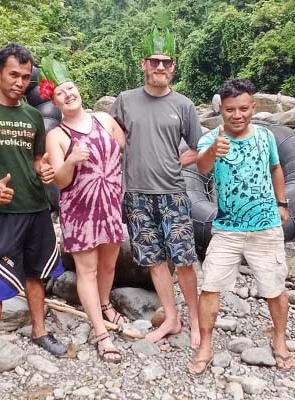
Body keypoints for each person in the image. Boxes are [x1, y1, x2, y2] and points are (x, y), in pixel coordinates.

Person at [0, 43, 66, 395]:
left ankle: (39, 332)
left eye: (25, 76)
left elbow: (35, 161)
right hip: (2, 214)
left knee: (37, 274)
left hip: (36, 209)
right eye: (13, 75)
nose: (20, 82)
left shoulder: (34, 116)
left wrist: (45, 169)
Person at [187, 78, 295, 375]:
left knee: (274, 288)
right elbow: (202, 166)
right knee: (209, 286)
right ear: (221, 109)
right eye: (230, 109)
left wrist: (282, 204)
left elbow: (276, 168)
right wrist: (214, 150)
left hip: (266, 226)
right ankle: (206, 344)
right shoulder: (212, 138)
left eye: (243, 108)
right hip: (227, 229)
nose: (237, 115)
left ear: (253, 107)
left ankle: (280, 339)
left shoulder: (265, 136)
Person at [109, 23, 202, 348]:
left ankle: (195, 322)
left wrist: (177, 162)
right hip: (136, 195)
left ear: (173, 67)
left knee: (184, 259)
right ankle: (172, 319)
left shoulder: (183, 105)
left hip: (173, 194)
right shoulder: (124, 101)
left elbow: (198, 147)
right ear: (143, 64)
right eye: (154, 61)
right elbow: (110, 137)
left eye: (166, 62)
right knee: (154, 260)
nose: (160, 67)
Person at [40, 57, 127, 363]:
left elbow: (121, 145)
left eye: (71, 88)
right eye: (61, 93)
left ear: (80, 91)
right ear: (55, 102)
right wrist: (71, 159)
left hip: (111, 204)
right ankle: (101, 333)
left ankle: (104, 304)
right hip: (80, 210)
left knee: (108, 265)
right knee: (87, 270)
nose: (68, 94)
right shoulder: (57, 136)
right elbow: (61, 182)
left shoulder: (104, 120)